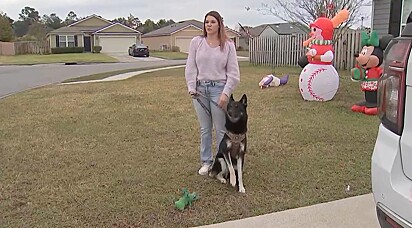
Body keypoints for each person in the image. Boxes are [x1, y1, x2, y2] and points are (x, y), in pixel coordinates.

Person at [184, 10, 240, 175]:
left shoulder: (228, 45)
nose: (209, 25)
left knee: (221, 129)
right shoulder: (197, 42)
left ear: (219, 25)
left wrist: (225, 93)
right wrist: (191, 86)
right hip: (200, 90)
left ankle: (221, 163)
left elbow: (234, 73)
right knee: (205, 129)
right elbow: (191, 67)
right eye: (207, 22)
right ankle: (206, 162)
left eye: (212, 22)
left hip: (219, 89)